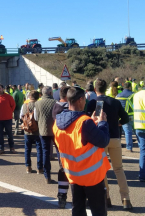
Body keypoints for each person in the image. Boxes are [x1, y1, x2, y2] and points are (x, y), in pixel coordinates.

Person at [53, 87, 110, 216]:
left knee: (78, 208)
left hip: (72, 174)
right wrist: (102, 123)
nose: (85, 102)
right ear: (80, 100)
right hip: (91, 175)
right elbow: (103, 141)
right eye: (84, 99)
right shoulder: (84, 123)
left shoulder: (57, 122)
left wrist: (92, 123)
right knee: (98, 211)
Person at [87, 79, 132, 209]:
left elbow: (87, 120)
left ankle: (106, 198)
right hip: (115, 138)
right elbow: (125, 118)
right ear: (106, 88)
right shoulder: (115, 102)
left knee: (103, 170)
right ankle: (126, 199)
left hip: (101, 139)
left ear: (95, 90)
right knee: (118, 169)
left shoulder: (93, 103)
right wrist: (117, 124)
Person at [51, 86, 71, 208]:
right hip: (67, 141)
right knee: (68, 167)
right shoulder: (63, 107)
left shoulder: (56, 107)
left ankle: (62, 195)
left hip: (60, 142)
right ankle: (63, 195)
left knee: (63, 167)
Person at [34, 86, 57, 184]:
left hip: (43, 131)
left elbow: (35, 117)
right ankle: (64, 172)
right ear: (51, 93)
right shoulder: (55, 103)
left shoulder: (37, 103)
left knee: (45, 152)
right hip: (55, 131)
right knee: (59, 150)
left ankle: (47, 176)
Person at [20, 91, 42, 173]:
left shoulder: (24, 105)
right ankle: (39, 168)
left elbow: (21, 116)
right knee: (39, 149)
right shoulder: (38, 105)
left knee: (27, 149)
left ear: (29, 97)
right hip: (37, 130)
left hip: (27, 130)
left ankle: (28, 167)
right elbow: (36, 118)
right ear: (38, 97)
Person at [0, 84, 16, 155]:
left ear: (3, 89)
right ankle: (1, 149)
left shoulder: (8, 97)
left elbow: (13, 105)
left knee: (9, 134)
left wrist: (9, 112)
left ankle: (12, 148)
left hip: (7, 119)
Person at [116, 82, 135, 152]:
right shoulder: (133, 95)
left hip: (124, 117)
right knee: (137, 132)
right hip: (133, 116)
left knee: (127, 132)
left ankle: (129, 147)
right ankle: (141, 145)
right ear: (130, 87)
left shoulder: (118, 95)